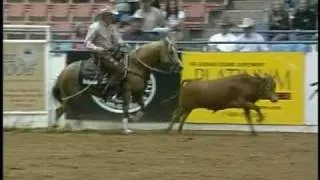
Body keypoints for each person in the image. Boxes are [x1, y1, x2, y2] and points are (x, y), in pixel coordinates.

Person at [84, 6, 126, 97]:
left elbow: (117, 39)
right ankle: (107, 91)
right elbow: (87, 43)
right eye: (110, 15)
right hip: (100, 54)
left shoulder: (111, 27)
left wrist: (122, 44)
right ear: (104, 16)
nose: (112, 17)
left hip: (111, 51)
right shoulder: (95, 27)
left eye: (112, 15)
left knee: (127, 63)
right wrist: (97, 49)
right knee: (119, 69)